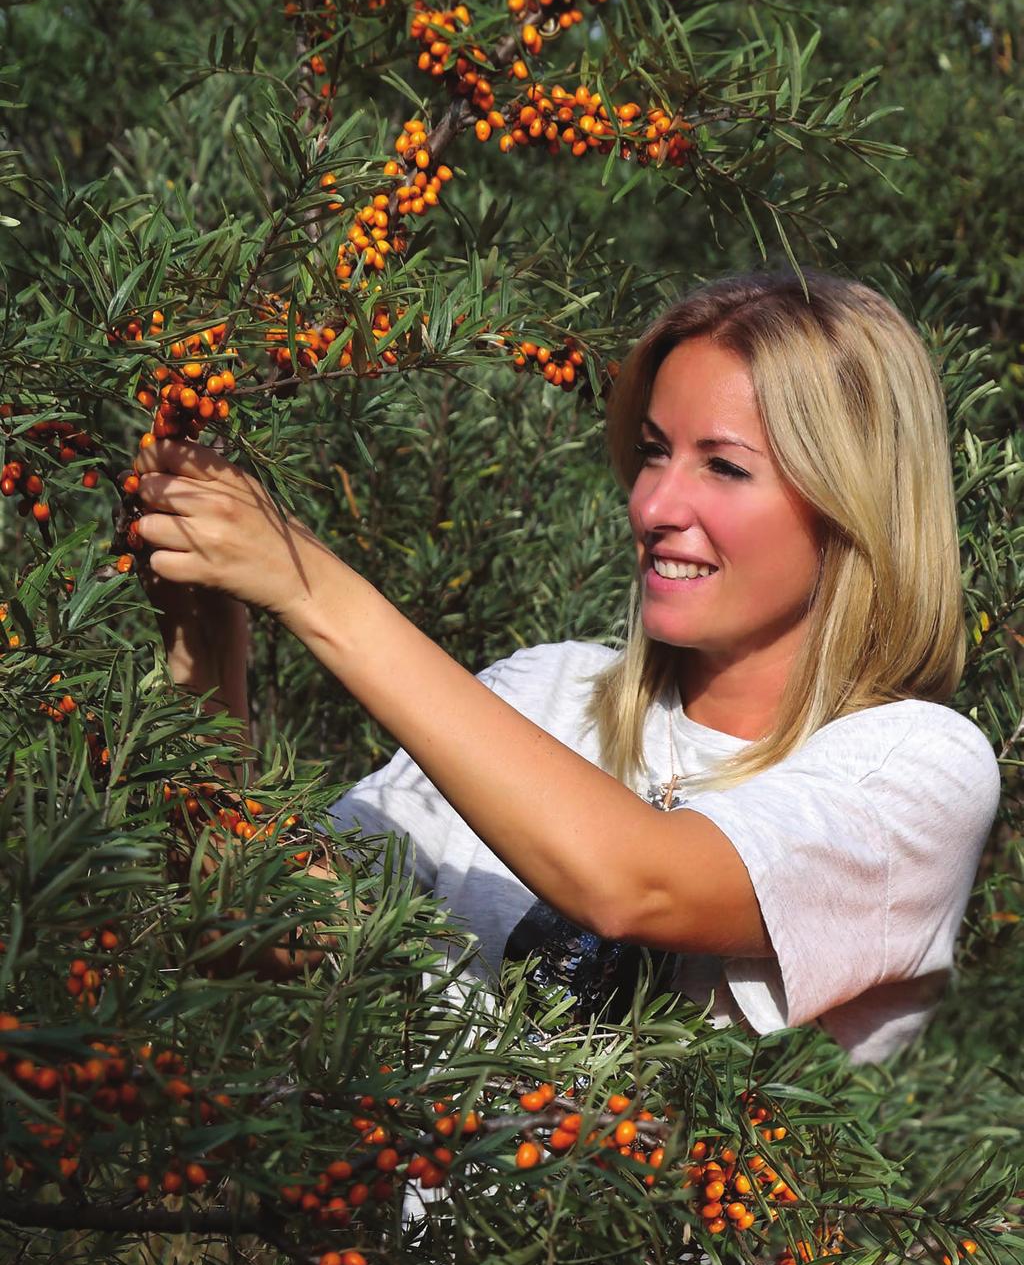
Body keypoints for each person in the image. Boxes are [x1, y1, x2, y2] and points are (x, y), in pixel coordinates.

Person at [134, 268, 1002, 1064]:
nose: (654, 503)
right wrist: (206, 657)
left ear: (851, 505)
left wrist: (310, 583)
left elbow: (635, 883)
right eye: (655, 451)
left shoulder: (917, 769)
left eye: (726, 466)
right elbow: (257, 927)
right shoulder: (546, 693)